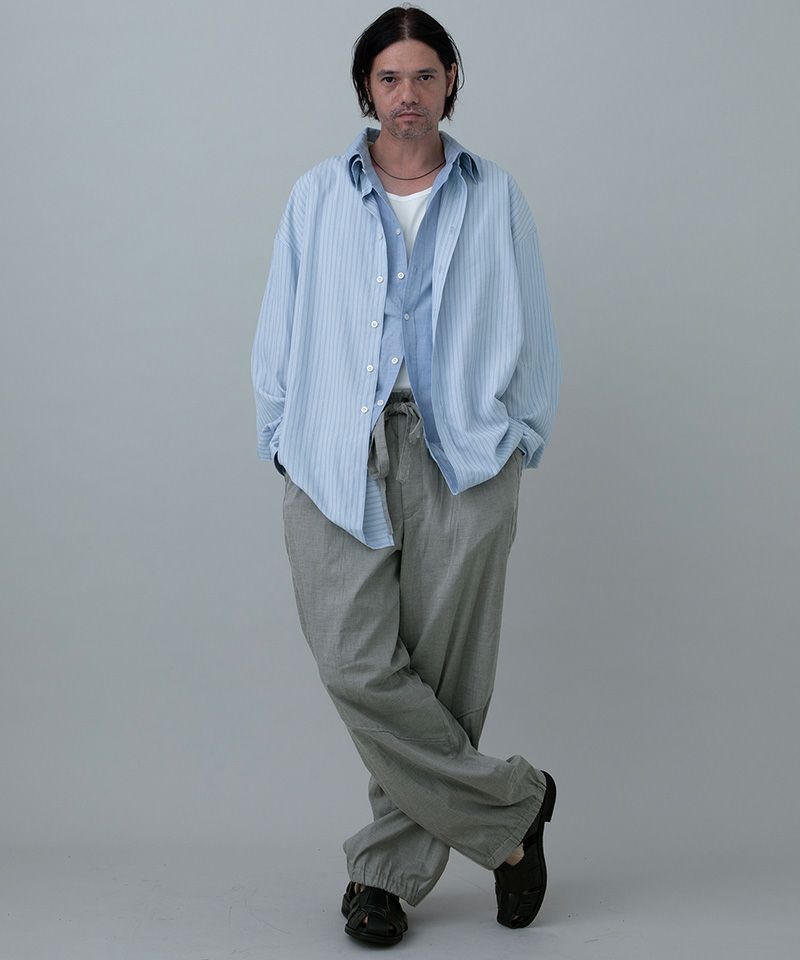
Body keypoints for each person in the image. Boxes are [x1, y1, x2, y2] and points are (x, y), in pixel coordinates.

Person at [250, 4, 561, 946]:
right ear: (367, 89)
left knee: (444, 675)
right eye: (390, 78)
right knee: (356, 663)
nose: (408, 95)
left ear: (450, 81)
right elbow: (279, 321)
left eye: (425, 75)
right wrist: (281, 433)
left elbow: (533, 324)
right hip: (336, 452)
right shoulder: (317, 195)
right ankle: (512, 811)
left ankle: (382, 879)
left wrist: (520, 439)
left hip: (462, 454)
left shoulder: (494, 194)